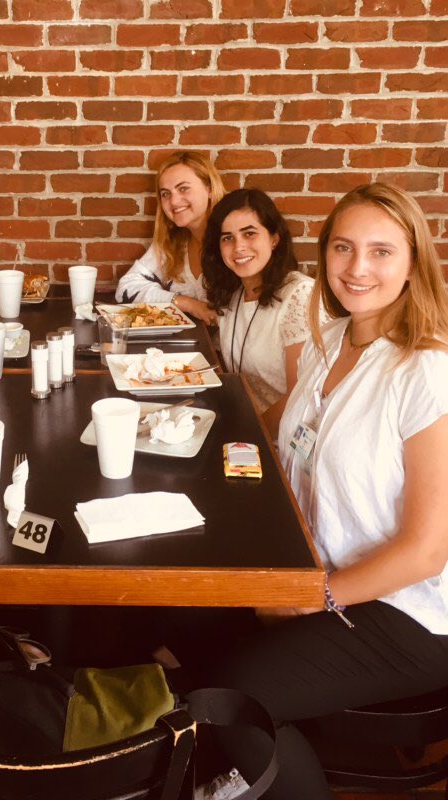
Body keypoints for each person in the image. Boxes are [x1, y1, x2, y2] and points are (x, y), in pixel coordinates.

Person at [190, 183, 448, 799]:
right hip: (316, 565)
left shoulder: (425, 370)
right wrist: (202, 441)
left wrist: (313, 598)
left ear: (414, 261)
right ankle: (222, 771)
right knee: (188, 614)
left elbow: (425, 551)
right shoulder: (333, 339)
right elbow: (286, 426)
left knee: (233, 696)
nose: (358, 268)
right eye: (343, 247)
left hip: (408, 607)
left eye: (382, 251)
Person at [202, 188, 318, 437]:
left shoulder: (299, 295)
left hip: (282, 442)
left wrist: (244, 435)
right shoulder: (234, 295)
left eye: (249, 234)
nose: (238, 247)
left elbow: (299, 399)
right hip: (244, 428)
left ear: (274, 238)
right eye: (227, 238)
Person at [115, 150, 225, 324]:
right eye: (166, 194)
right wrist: (186, 303)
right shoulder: (174, 241)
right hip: (190, 345)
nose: (174, 201)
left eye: (183, 189)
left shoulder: (231, 239)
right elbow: (126, 289)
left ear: (209, 189)